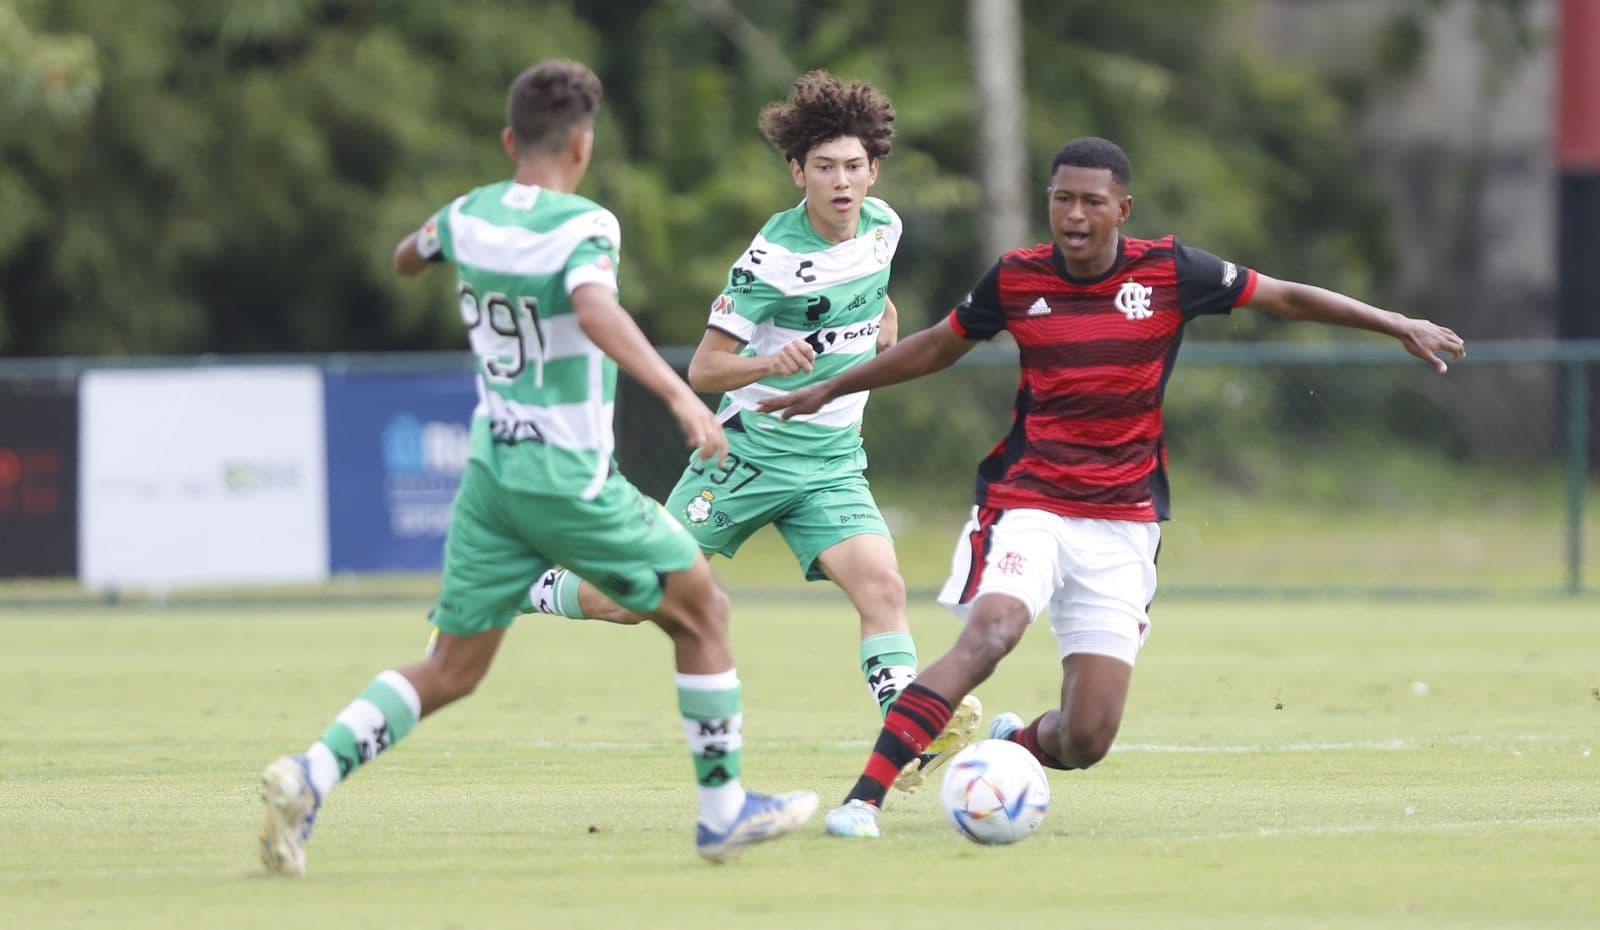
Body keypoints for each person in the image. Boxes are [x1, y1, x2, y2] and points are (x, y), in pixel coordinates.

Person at [758, 136, 1467, 838]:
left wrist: (1395, 322)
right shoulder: (1018, 278)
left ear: (1122, 208)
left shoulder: (1172, 271)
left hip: (1123, 521)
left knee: (1088, 738)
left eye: (1091, 202)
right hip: (1029, 501)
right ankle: (864, 799)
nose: (1073, 214)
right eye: (1061, 198)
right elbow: (938, 345)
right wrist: (831, 388)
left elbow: (1283, 297)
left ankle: (1012, 746)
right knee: (993, 633)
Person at [257, 59, 817, 874]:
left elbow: (406, 257)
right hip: (567, 474)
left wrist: (439, 249)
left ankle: (308, 773)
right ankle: (723, 812)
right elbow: (595, 308)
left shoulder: (466, 215)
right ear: (583, 146)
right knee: (704, 614)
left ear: (510, 139)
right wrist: (679, 396)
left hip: (491, 476)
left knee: (451, 667)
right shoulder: (587, 225)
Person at [516, 70, 979, 792]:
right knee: (633, 598)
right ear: (798, 171)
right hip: (746, 458)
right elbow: (704, 369)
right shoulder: (771, 261)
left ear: (873, 169)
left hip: (830, 463)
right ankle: (525, 583)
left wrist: (881, 326)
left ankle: (909, 732)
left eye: (854, 166)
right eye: (824, 167)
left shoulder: (885, 225)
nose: (841, 182)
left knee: (884, 587)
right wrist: (773, 360)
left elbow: (872, 294)